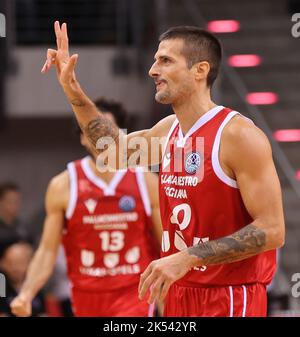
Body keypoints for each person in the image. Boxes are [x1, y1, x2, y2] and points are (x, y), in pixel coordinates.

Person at [39, 22, 285, 317]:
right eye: (155, 60)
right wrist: (72, 89)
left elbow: (272, 230)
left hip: (228, 295)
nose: (152, 71)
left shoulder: (237, 135)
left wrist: (189, 257)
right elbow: (111, 151)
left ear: (200, 70)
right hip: (179, 290)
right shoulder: (168, 131)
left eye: (165, 61)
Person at [10, 98, 162, 317]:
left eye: (108, 129)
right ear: (83, 137)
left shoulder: (145, 180)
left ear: (122, 134)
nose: (102, 137)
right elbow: (47, 250)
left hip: (133, 291)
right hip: (85, 294)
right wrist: (26, 293)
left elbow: (164, 242)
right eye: (93, 130)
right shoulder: (63, 185)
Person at [0, 239, 46, 317]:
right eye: (10, 263)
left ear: (30, 263)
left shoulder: (36, 285)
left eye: (20, 262)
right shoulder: (1, 285)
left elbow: (43, 312)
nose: (15, 268)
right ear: (2, 263)